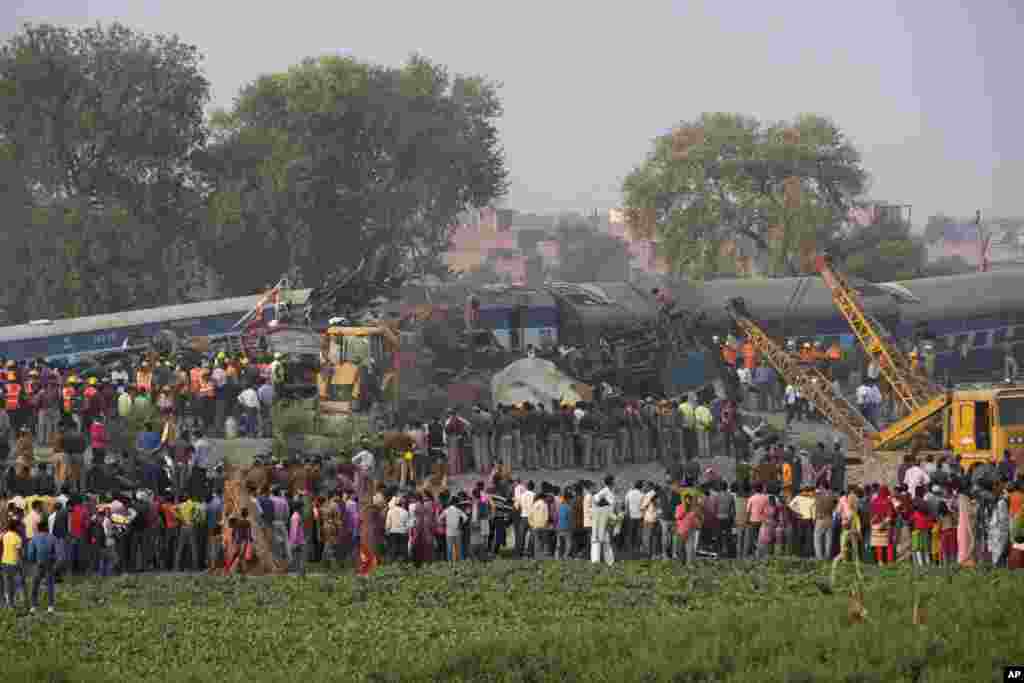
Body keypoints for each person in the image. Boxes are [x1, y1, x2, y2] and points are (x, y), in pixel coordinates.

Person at [26, 519, 57, 614]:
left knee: (35, 585)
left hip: (37, 564)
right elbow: (57, 553)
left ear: (38, 529)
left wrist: (32, 562)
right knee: (50, 586)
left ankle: (33, 606)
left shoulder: (34, 539)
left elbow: (30, 554)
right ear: (47, 528)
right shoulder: (53, 538)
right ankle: (50, 606)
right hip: (49, 564)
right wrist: (52, 560)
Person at [590, 475, 616, 565]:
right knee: (598, 540)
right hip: (602, 517)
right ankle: (597, 561)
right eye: (614, 481)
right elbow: (595, 500)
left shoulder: (608, 492)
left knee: (605, 541)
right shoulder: (605, 491)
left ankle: (609, 561)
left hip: (605, 517)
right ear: (611, 482)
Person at [2, 518, 23, 608]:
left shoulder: (5, 535)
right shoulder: (18, 538)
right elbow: (18, 553)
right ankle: (12, 602)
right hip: (13, 562)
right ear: (16, 527)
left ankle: (7, 599)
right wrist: (20, 563)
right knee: (15, 583)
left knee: (7, 581)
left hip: (4, 561)